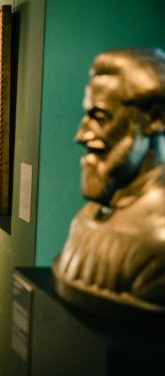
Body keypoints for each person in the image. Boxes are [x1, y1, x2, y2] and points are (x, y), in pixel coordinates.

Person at [54, 48, 165, 314]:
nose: (81, 135)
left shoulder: (158, 240)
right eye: (86, 116)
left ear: (155, 119)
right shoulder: (85, 218)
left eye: (100, 117)